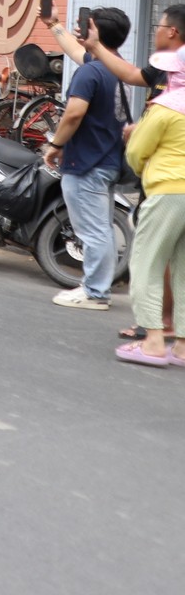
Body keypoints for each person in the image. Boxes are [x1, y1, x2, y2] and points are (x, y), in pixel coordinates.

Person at [38, 6, 132, 310]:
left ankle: (94, 292)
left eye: (86, 26)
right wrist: (54, 25)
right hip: (106, 160)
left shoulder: (90, 72)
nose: (81, 30)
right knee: (100, 228)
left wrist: (56, 143)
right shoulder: (114, 67)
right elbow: (77, 52)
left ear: (95, 32)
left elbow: (74, 113)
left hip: (86, 163)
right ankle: (96, 288)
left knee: (92, 231)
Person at [120, 48, 185, 364]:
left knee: (146, 263)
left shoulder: (164, 108)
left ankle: (154, 341)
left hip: (167, 192)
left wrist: (145, 166)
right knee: (184, 270)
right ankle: (183, 346)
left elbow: (135, 152)